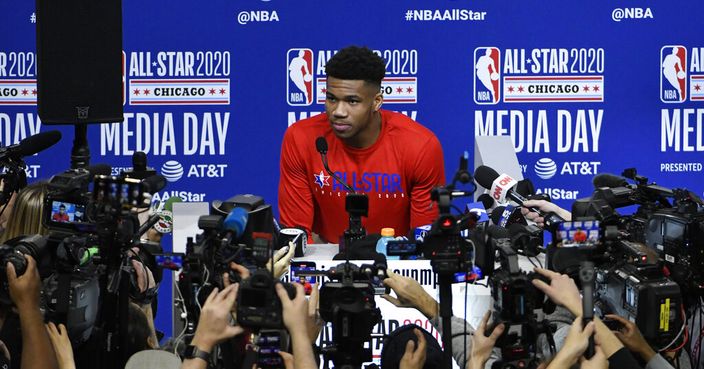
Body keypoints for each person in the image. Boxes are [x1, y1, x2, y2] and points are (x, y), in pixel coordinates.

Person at [279, 45, 445, 243]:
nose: (338, 111)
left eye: (352, 101)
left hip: (396, 264)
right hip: (326, 262)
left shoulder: (420, 146)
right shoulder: (301, 138)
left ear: (376, 102)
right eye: (331, 98)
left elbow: (423, 239)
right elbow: (296, 238)